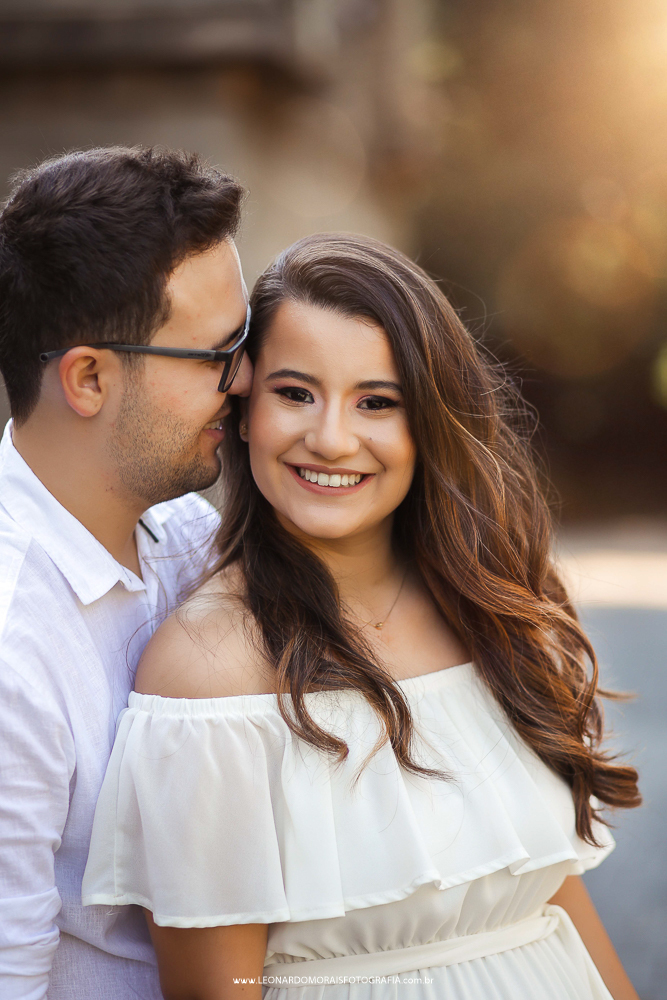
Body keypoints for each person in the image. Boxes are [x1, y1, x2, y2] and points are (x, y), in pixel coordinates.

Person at [83, 233, 641, 1000]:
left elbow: (549, 895)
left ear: (430, 423)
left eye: (376, 401)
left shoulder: (487, 609)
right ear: (243, 411)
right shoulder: (209, 672)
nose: (332, 438)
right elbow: (220, 987)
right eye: (294, 393)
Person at [0, 145, 253, 1000]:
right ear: (89, 378)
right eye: (216, 356)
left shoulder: (186, 531)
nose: (247, 380)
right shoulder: (11, 645)